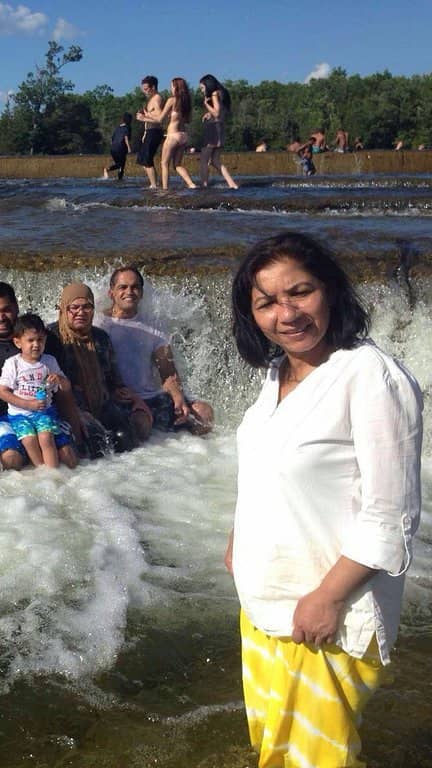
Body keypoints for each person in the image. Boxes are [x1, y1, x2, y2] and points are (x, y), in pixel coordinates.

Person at [227, 231, 423, 767]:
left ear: (330, 290)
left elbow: (392, 514)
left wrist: (329, 598)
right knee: (275, 753)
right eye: (267, 302)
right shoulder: (279, 373)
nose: (286, 313)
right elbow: (269, 467)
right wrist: (238, 536)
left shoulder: (371, 375)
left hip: (325, 614)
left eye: (300, 292)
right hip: (265, 603)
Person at [0, 282, 72, 471]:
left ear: (16, 307)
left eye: (6, 310)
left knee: (67, 456)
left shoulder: (44, 340)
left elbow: (63, 393)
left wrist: (76, 426)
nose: (0, 318)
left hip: (44, 413)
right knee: (12, 459)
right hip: (0, 417)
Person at [96, 267, 213, 438]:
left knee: (204, 414)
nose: (129, 292)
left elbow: (167, 372)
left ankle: (187, 452)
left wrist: (178, 397)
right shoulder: (99, 324)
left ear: (142, 293)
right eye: (123, 287)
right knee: (141, 424)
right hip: (122, 400)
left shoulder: (154, 325)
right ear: (111, 293)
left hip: (153, 398)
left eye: (135, 287)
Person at [47, 283, 142, 457]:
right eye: (74, 307)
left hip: (101, 403)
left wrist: (135, 399)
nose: (81, 312)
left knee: (125, 438)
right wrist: (75, 413)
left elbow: (113, 378)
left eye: (87, 307)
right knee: (96, 445)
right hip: (67, 408)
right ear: (64, 309)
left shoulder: (100, 338)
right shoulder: (50, 338)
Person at [0, 314, 78, 469]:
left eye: (40, 340)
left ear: (45, 340)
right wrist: (27, 404)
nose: (36, 345)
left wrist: (59, 380)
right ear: (17, 342)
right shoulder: (13, 364)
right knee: (29, 440)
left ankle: (53, 472)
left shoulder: (49, 361)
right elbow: (3, 392)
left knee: (46, 437)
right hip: (19, 415)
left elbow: (66, 387)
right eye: (30, 340)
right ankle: (42, 473)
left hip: (44, 412)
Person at [198, 74, 239, 189]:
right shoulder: (222, 93)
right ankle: (232, 184)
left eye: (202, 88)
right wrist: (209, 113)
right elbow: (220, 111)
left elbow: (216, 113)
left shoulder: (214, 94)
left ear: (208, 85)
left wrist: (206, 104)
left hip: (212, 128)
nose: (202, 91)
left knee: (204, 160)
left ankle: (204, 185)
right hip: (220, 127)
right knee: (215, 160)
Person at [158, 77, 197, 190]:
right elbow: (188, 120)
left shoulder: (172, 100)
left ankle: (165, 189)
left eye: (171, 86)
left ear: (176, 87)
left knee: (164, 164)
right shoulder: (186, 102)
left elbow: (160, 119)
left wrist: (145, 117)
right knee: (177, 165)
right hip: (183, 135)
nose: (170, 88)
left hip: (173, 136)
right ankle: (191, 184)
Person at [135, 76, 165, 189]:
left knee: (147, 160)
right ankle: (155, 183)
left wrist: (143, 118)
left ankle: (154, 185)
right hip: (149, 131)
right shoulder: (151, 99)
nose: (145, 92)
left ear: (153, 87)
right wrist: (145, 132)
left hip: (155, 131)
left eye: (146, 89)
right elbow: (151, 117)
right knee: (142, 159)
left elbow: (160, 118)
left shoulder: (157, 99)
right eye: (143, 89)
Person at [103, 113, 132, 181]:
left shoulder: (118, 128)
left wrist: (113, 146)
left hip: (113, 149)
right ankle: (108, 170)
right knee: (121, 165)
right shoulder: (128, 127)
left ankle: (118, 178)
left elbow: (112, 139)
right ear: (129, 120)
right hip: (120, 148)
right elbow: (126, 138)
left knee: (119, 164)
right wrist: (129, 147)